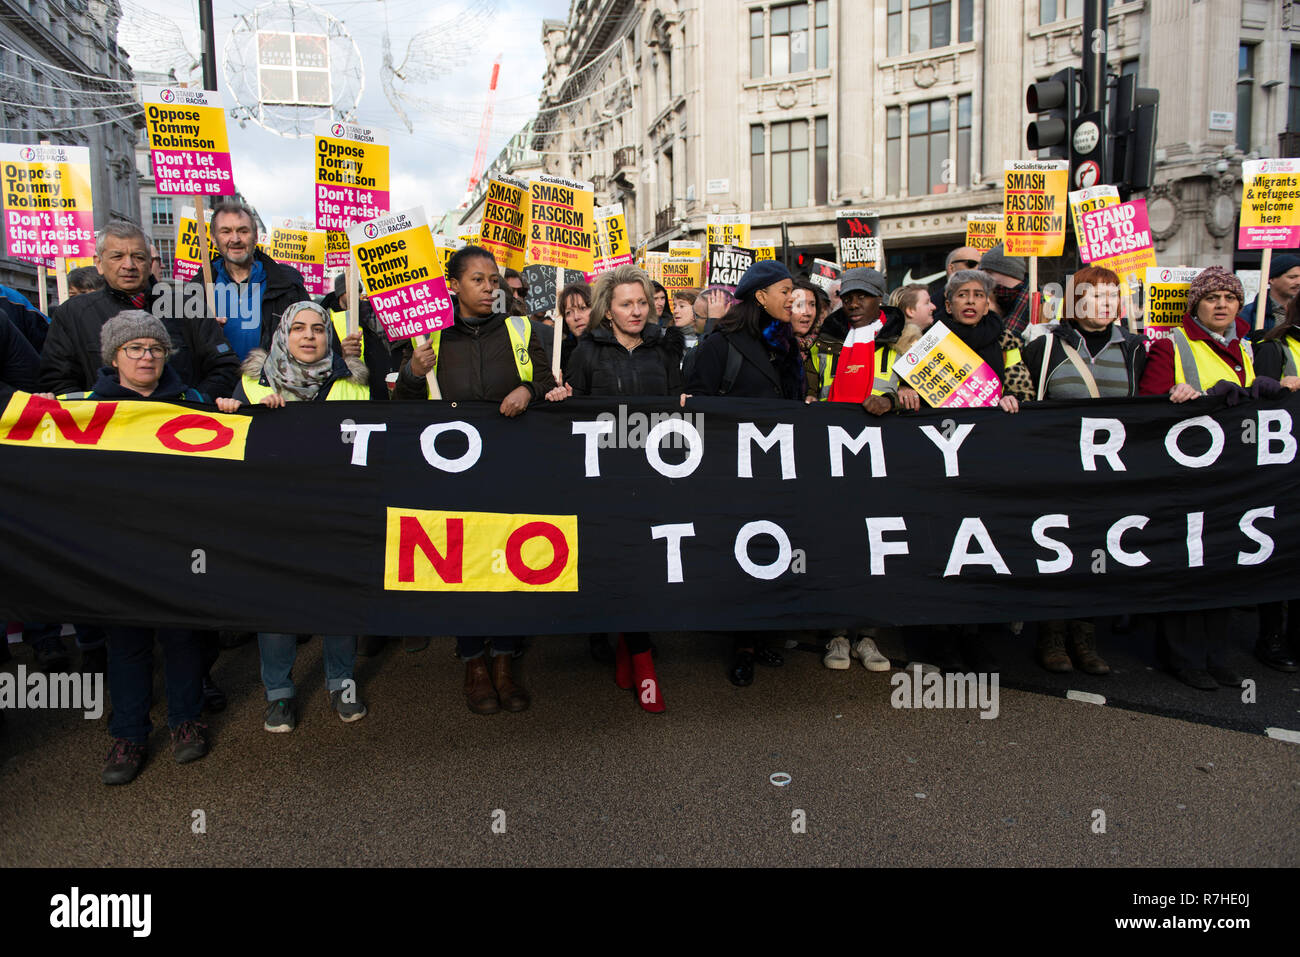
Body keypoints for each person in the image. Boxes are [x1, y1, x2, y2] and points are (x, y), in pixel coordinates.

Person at [392, 245, 564, 714]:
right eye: (479, 281)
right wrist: (412, 373)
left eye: (495, 280)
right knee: (463, 564)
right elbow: (404, 409)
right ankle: (473, 661)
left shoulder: (523, 328)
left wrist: (529, 389)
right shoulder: (428, 337)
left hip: (511, 468)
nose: (491, 289)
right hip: (454, 472)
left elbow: (551, 383)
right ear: (453, 286)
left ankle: (505, 661)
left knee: (508, 556)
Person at [52, 313, 212, 783]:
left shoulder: (193, 401)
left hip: (177, 544)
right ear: (113, 357)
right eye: (135, 349)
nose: (147, 357)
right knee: (127, 644)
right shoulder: (84, 408)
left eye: (155, 349)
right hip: (118, 548)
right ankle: (128, 736)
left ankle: (186, 720)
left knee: (182, 638)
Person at [212, 302, 369, 729]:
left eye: (318, 329)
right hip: (273, 513)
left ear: (329, 336)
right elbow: (231, 445)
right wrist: (232, 412)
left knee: (337, 599)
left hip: (335, 510)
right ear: (283, 335)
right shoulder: (249, 385)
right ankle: (279, 693)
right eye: (297, 328)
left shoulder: (354, 383)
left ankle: (342, 682)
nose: (308, 336)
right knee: (277, 603)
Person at [1139, 266, 1285, 689]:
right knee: (1188, 565)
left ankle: (1215, 655)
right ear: (1196, 305)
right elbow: (1147, 408)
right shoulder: (1173, 346)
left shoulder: (1249, 347)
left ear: (1240, 304)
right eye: (1211, 297)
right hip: (1186, 478)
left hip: (1232, 479)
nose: (1221, 304)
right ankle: (1183, 658)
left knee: (1224, 563)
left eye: (1229, 297)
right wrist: (1174, 399)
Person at [564, 265, 683, 712]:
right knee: (624, 565)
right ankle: (643, 659)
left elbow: (677, 407)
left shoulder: (663, 349)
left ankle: (627, 649)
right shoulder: (587, 352)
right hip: (608, 480)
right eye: (625, 304)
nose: (636, 311)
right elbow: (573, 415)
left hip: (655, 475)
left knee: (648, 566)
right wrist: (560, 398)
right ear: (607, 311)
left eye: (641, 302)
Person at [1019, 267, 1149, 676]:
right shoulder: (1045, 347)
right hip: (1056, 472)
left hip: (1109, 474)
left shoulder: (1134, 348)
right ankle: (1052, 636)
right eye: (1095, 295)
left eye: (1113, 296)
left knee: (1098, 554)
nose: (1106, 304)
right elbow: (1026, 403)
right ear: (1075, 301)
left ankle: (1085, 637)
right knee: (1058, 553)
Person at [686, 260, 802, 686]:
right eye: (786, 291)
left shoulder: (789, 343)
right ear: (761, 297)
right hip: (735, 471)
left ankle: (768, 629)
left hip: (779, 469)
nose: (794, 299)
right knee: (745, 554)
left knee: (778, 547)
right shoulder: (721, 345)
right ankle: (743, 642)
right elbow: (698, 403)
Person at [40, 220, 240, 399]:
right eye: (117, 257)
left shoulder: (188, 307)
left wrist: (194, 402)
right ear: (99, 264)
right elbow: (57, 380)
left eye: (138, 257)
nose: (129, 265)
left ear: (150, 263)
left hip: (181, 429)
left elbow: (224, 368)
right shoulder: (73, 313)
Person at [192, 200, 323, 360]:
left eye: (243, 231)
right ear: (213, 238)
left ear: (255, 237)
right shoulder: (198, 289)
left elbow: (315, 339)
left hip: (270, 382)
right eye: (226, 231)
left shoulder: (287, 286)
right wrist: (204, 330)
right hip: (218, 382)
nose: (235, 239)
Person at [1253, 295, 1300, 672]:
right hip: (1283, 468)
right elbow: (1262, 400)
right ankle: (1271, 638)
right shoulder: (1275, 348)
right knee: (1279, 551)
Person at [320, 272, 396, 401]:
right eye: (350, 290)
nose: (356, 294)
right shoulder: (326, 318)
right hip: (341, 394)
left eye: (359, 290)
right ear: (340, 293)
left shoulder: (367, 314)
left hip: (371, 390)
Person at [977, 243, 1032, 337]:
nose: (983, 278)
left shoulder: (1038, 303)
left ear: (1010, 274)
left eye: (989, 272)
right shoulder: (983, 299)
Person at [1242, 253, 1300, 333]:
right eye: (1292, 277)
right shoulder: (1248, 314)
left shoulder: (1296, 310)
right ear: (1272, 279)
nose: (1298, 282)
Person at [928, 245, 982, 327]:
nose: (977, 270)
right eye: (971, 264)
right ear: (951, 268)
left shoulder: (988, 303)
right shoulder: (932, 305)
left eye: (980, 266)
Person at [558, 281, 592, 371]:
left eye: (583, 308)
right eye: (568, 312)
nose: (576, 317)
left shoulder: (613, 347)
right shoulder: (560, 354)